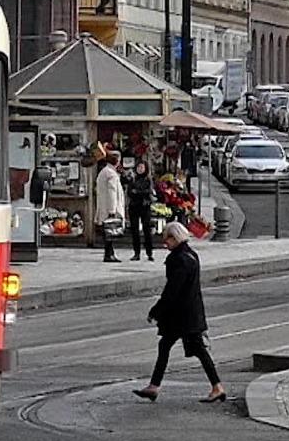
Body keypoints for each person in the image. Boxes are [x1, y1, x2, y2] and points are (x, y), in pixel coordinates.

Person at [133, 222, 225, 404]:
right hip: (190, 312)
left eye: (167, 238)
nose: (164, 243)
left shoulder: (179, 259)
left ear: (175, 238)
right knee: (170, 346)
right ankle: (154, 386)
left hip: (181, 316)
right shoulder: (191, 255)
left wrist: (157, 310)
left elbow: (172, 290)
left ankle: (216, 386)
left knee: (192, 349)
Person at [95, 151, 125, 263]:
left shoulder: (104, 172)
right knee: (110, 231)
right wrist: (112, 209)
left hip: (103, 205)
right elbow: (112, 192)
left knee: (107, 231)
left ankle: (109, 252)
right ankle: (109, 253)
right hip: (109, 207)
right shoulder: (111, 174)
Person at [126, 160, 156, 261]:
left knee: (147, 229)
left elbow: (149, 191)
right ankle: (136, 253)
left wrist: (138, 192)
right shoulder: (133, 179)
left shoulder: (148, 179)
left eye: (142, 167)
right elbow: (130, 192)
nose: (140, 169)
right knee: (135, 230)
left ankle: (149, 252)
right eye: (138, 167)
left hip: (145, 206)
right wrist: (140, 192)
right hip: (134, 206)